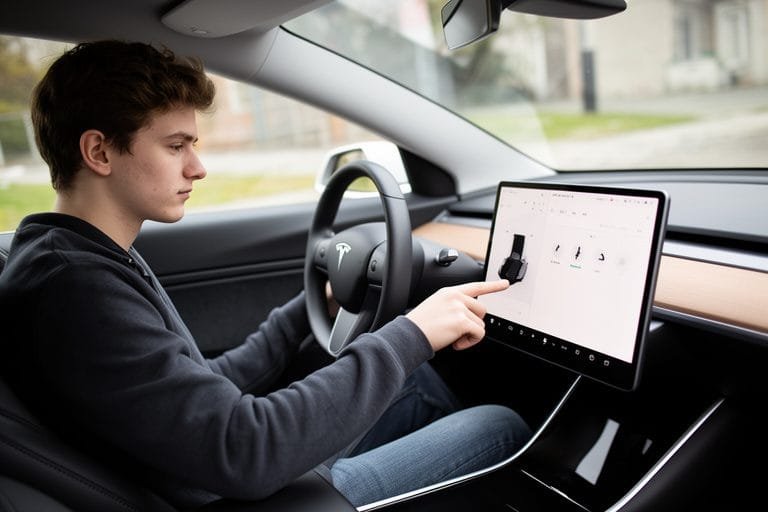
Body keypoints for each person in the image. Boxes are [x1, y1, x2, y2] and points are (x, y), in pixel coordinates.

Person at [0, 40, 531, 509]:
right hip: (229, 491)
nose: (197, 167)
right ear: (98, 151)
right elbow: (245, 450)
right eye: (175, 145)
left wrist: (307, 310)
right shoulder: (78, 290)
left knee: (414, 380)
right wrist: (410, 334)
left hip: (202, 473)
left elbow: (204, 391)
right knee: (499, 426)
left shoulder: (71, 254)